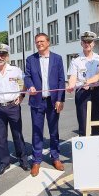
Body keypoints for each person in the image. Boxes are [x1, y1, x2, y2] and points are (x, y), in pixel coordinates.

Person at [0, 43, 30, 177]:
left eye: (3, 55)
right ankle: (4, 162)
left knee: (17, 134)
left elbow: (27, 81)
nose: (0, 57)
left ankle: (23, 159)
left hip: (13, 106)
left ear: (7, 56)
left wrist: (22, 95)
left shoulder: (15, 70)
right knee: (1, 137)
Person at [24, 33, 66, 177]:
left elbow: (61, 80)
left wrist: (60, 99)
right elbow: (27, 76)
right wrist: (30, 86)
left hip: (53, 101)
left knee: (54, 131)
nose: (39, 44)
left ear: (48, 42)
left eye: (42, 41)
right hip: (37, 101)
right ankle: (36, 160)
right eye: (37, 42)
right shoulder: (31, 59)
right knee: (37, 131)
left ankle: (55, 157)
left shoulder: (57, 59)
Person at [66, 31, 99, 136]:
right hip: (82, 93)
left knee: (97, 121)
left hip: (97, 92)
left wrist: (88, 81)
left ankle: (96, 147)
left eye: (90, 41)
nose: (87, 44)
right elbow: (73, 77)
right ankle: (84, 148)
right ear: (81, 43)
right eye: (85, 42)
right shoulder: (76, 60)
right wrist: (70, 85)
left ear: (93, 43)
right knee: (83, 122)